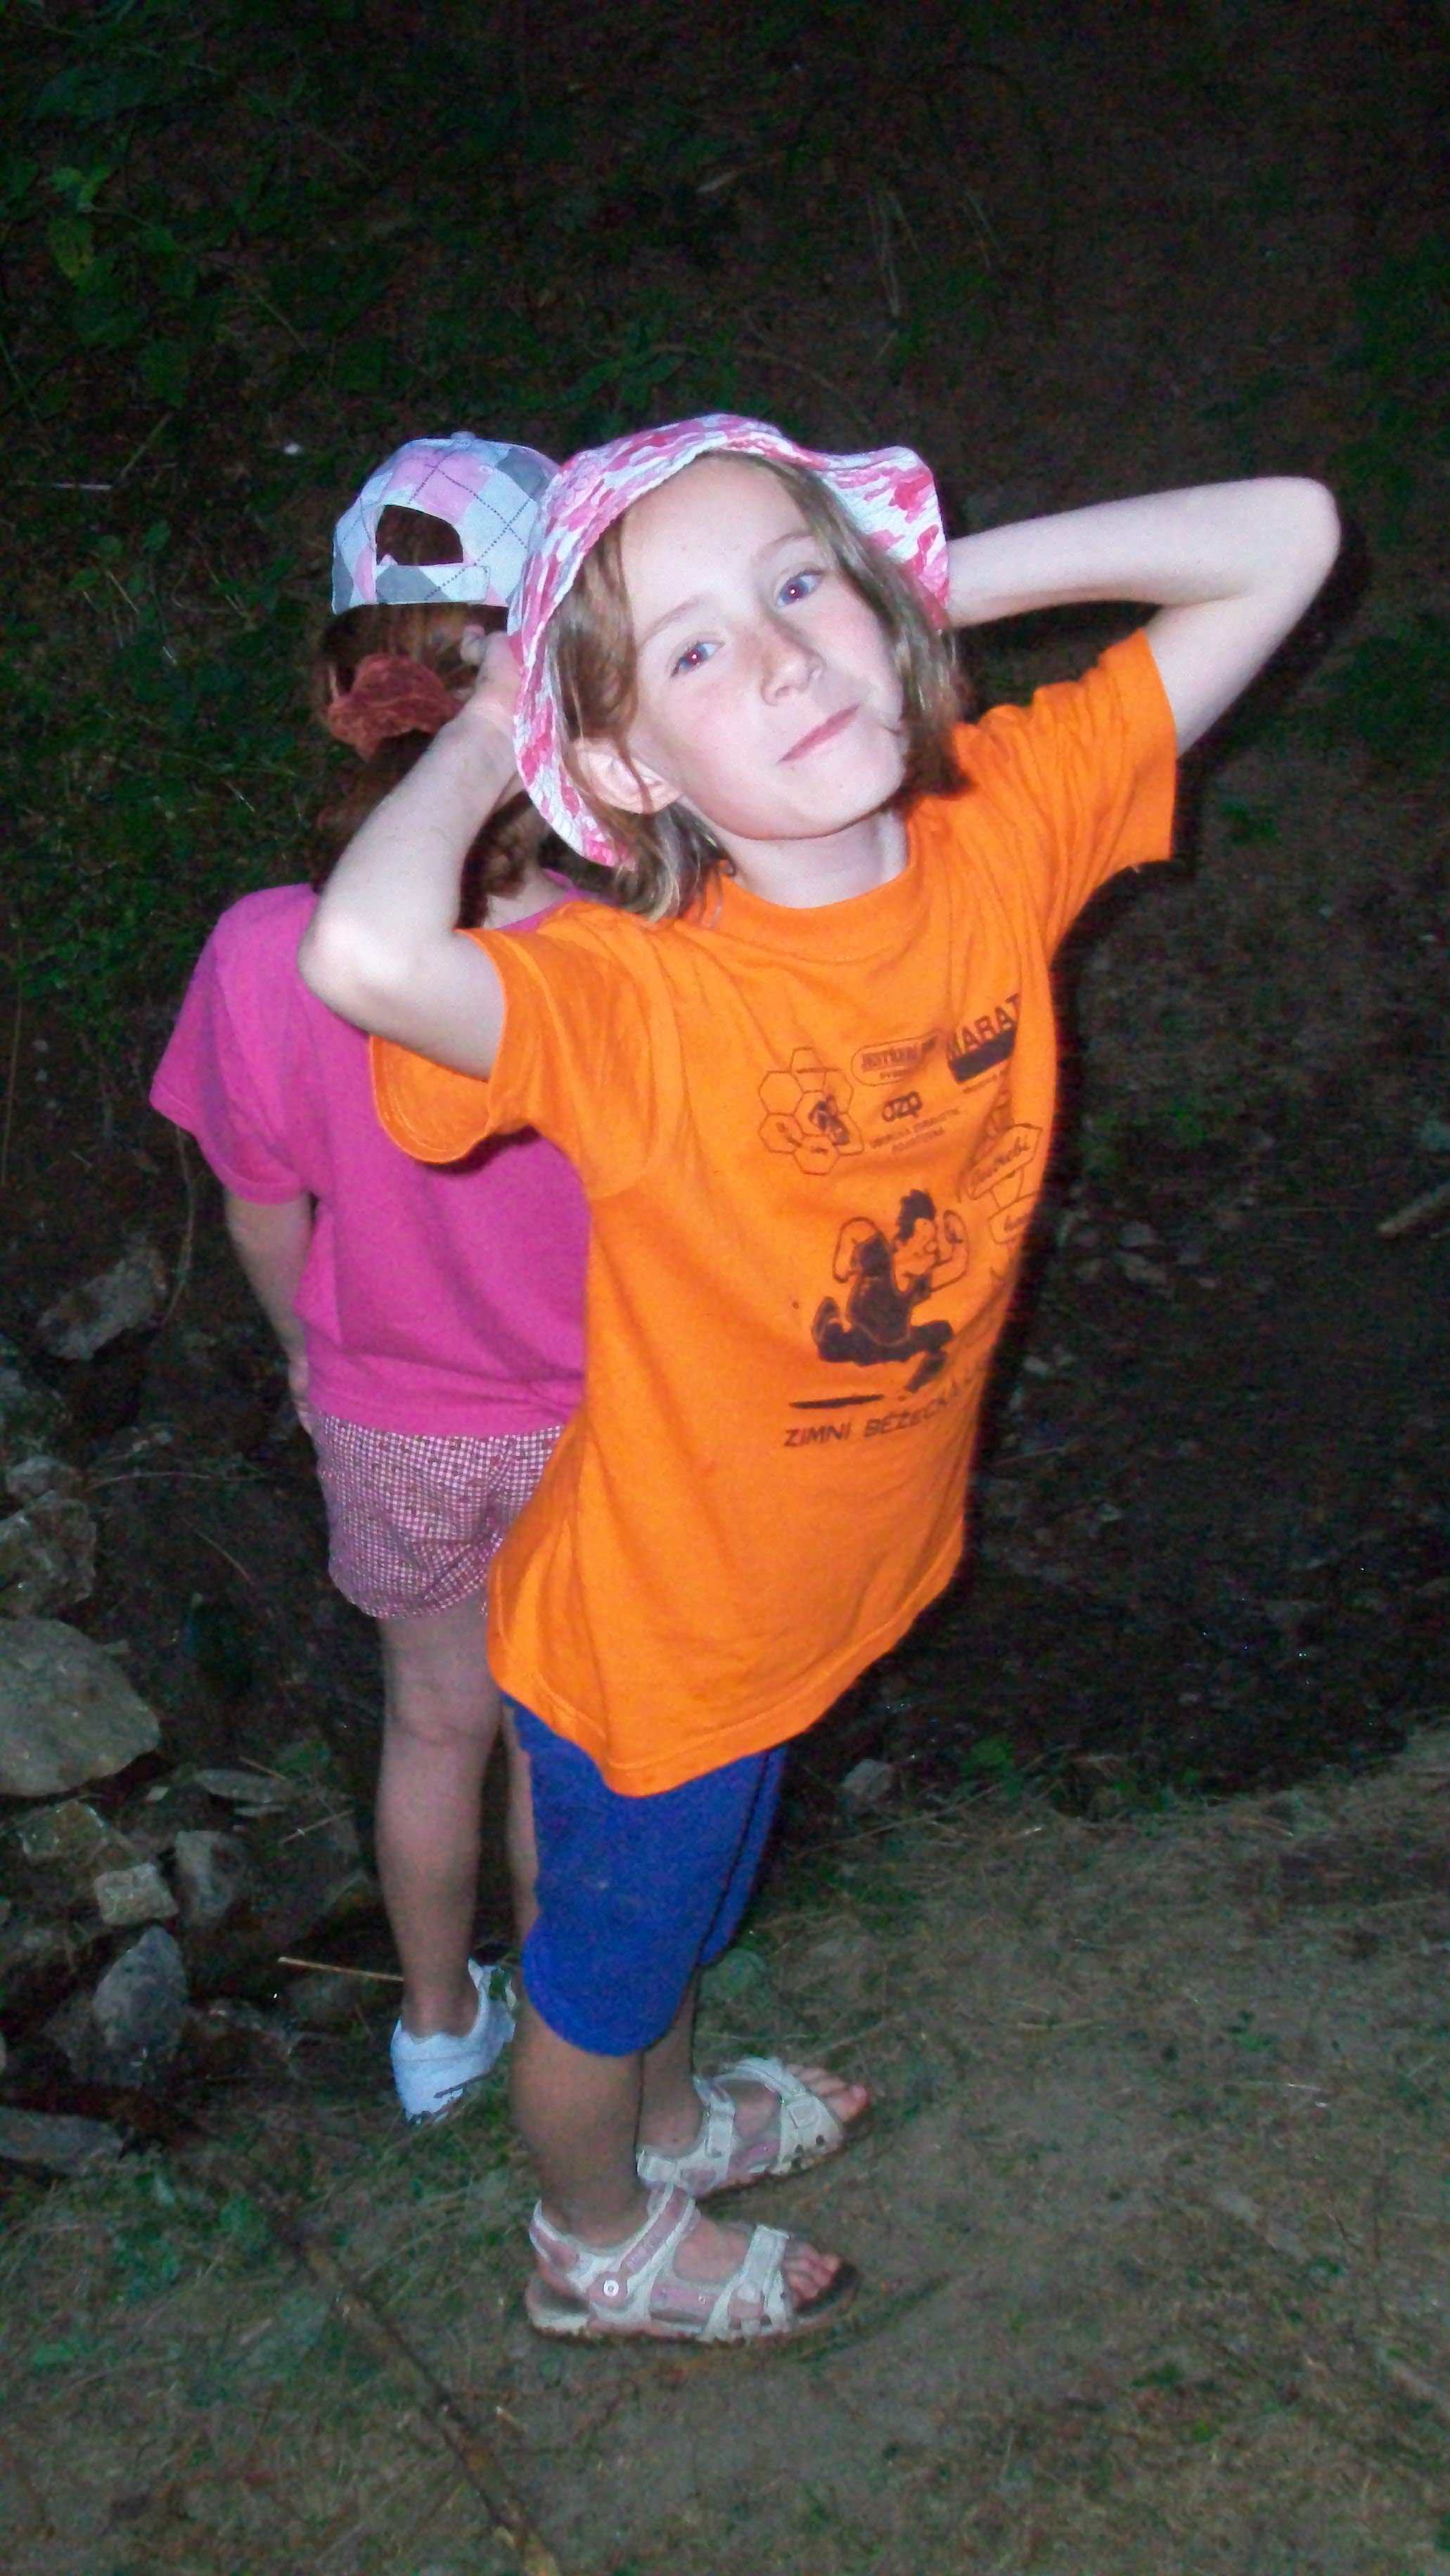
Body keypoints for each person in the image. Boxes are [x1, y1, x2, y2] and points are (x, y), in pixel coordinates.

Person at [299, 412, 1339, 2343]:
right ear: (619, 765)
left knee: (685, 1922)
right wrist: (505, 715)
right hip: (660, 1640)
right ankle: (589, 2241)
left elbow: (1279, 532)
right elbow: (363, 953)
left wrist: (904, 584)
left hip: (809, 1588)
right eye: (694, 648)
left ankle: (671, 2126)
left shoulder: (999, 828)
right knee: (603, 1978)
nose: (780, 657)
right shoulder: (638, 1001)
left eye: (799, 585)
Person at [152, 434, 591, 2121]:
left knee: (430, 1721)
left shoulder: (271, 945)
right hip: (596, 1421)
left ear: (342, 687)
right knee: (560, 1735)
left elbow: (264, 1215)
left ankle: (428, 2029)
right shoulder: (624, 946)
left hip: (391, 1418)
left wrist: (300, 1354)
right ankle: (569, 2026)